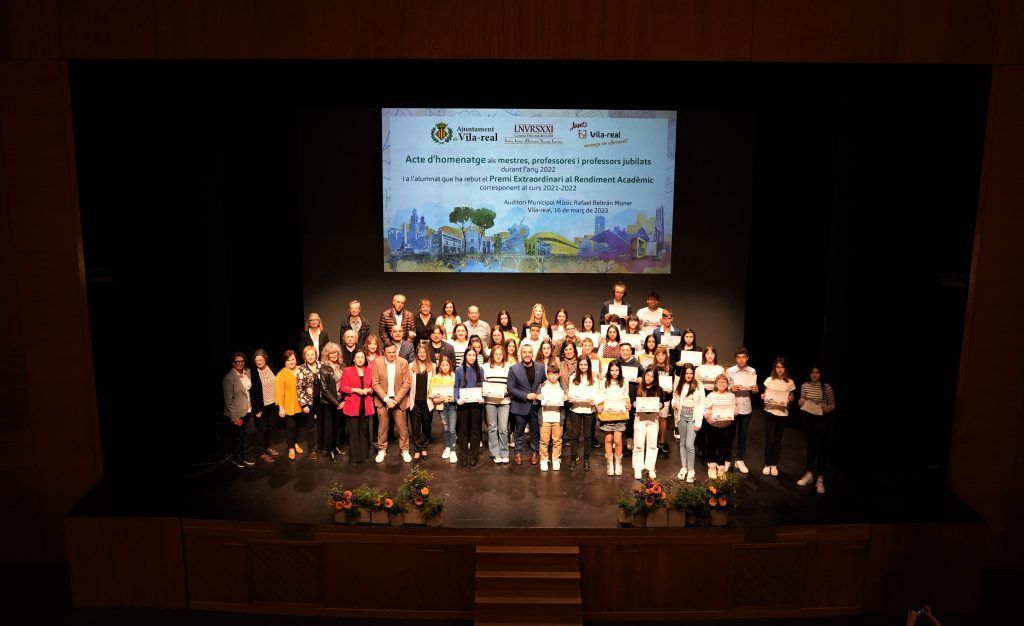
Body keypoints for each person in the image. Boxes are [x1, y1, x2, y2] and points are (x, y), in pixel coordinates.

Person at [796, 365, 836, 494]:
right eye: (812, 372)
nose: (814, 375)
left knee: (820, 449)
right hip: (808, 419)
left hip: (821, 420)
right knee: (810, 447)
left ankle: (820, 479)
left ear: (821, 374)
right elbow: (802, 401)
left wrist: (826, 409)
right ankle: (809, 474)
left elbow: (832, 404)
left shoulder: (826, 387)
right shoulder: (805, 385)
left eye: (817, 372)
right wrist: (800, 402)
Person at [371, 343, 412, 463]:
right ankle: (382, 449)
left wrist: (396, 400)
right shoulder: (377, 362)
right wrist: (386, 399)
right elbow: (375, 383)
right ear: (384, 352)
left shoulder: (403, 362)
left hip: (398, 400)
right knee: (382, 427)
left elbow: (406, 383)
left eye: (394, 352)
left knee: (402, 427)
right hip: (383, 400)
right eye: (389, 352)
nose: (392, 354)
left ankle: (405, 450)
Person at [508, 343, 544, 465]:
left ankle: (534, 453)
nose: (527, 354)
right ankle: (518, 453)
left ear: (532, 354)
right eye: (524, 352)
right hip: (520, 405)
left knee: (535, 432)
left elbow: (544, 384)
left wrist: (540, 394)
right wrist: (525, 395)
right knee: (519, 432)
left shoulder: (540, 367)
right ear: (521, 354)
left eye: (529, 352)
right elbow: (511, 388)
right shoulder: (514, 368)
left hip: (536, 406)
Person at [760, 357, 796, 477]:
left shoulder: (789, 382)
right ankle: (767, 464)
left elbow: (791, 396)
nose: (780, 369)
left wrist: (791, 398)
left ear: (785, 369)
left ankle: (774, 464)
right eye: (778, 367)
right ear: (775, 368)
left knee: (777, 440)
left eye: (782, 367)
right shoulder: (769, 380)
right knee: (769, 439)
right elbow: (765, 394)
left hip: (782, 413)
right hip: (770, 412)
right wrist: (763, 396)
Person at [726, 346, 758, 474]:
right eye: (739, 357)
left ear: (747, 358)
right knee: (730, 433)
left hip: (745, 405)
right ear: (736, 358)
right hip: (732, 405)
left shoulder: (752, 371)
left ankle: (739, 459)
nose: (741, 360)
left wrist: (755, 390)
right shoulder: (730, 371)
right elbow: (725, 387)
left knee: (743, 434)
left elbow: (754, 389)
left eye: (743, 357)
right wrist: (730, 388)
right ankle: (727, 459)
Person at [672, 363, 706, 482]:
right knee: (682, 442)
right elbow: (674, 398)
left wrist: (699, 422)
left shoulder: (699, 385)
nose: (689, 375)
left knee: (689, 444)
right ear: (683, 374)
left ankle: (691, 469)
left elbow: (702, 404)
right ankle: (684, 467)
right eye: (687, 373)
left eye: (691, 373)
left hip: (693, 416)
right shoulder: (679, 383)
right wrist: (674, 404)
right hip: (681, 415)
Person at [339, 351, 374, 465]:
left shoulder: (369, 370)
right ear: (354, 359)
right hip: (352, 405)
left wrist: (369, 390)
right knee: (353, 432)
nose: (360, 359)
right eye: (357, 357)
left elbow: (373, 386)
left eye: (362, 357)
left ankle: (364, 455)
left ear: (365, 359)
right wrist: (355, 390)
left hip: (365, 404)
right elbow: (342, 387)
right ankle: (354, 458)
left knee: (364, 431)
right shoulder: (347, 370)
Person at [597, 361, 630, 475]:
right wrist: (598, 405)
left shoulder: (624, 381)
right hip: (607, 414)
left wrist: (628, 404)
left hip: (620, 413)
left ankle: (618, 462)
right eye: (612, 370)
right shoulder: (603, 382)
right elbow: (600, 396)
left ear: (620, 370)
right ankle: (610, 463)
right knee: (608, 439)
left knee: (618, 440)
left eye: (616, 370)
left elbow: (626, 396)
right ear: (609, 371)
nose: (614, 372)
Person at [566, 355, 598, 471]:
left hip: (589, 410)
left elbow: (596, 394)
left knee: (588, 435)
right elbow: (571, 394)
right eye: (581, 364)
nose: (583, 366)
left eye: (585, 364)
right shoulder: (573, 377)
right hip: (576, 409)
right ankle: (573, 459)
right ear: (577, 365)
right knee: (574, 435)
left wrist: (594, 401)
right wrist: (571, 398)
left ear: (589, 365)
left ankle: (586, 459)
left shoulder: (594, 379)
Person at [222, 352, 254, 468]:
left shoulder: (247, 372)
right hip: (237, 412)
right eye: (237, 362)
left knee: (250, 432)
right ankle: (237, 458)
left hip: (248, 409)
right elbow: (228, 401)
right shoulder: (229, 378)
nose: (240, 363)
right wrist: (235, 417)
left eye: (242, 361)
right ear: (233, 363)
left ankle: (245, 454)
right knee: (238, 437)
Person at [454, 347, 485, 466]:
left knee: (475, 430)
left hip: (476, 404)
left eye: (474, 355)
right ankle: (463, 456)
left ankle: (474, 456)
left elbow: (483, 387)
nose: (472, 357)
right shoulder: (459, 370)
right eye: (469, 355)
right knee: (462, 431)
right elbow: (456, 387)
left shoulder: (480, 370)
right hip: (463, 404)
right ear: (465, 356)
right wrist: (457, 399)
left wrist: (482, 397)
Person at [704, 374, 737, 479]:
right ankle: (712, 467)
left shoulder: (731, 396)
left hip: (726, 426)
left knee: (723, 447)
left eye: (724, 382)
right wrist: (707, 414)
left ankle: (721, 468)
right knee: (712, 446)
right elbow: (706, 410)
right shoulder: (711, 395)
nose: (722, 384)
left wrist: (734, 411)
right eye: (719, 382)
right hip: (712, 426)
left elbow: (735, 411)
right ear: (716, 384)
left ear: (727, 384)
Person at [695, 345, 724, 463]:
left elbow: (723, 383)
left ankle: (712, 450)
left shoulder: (720, 368)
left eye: (712, 353)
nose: (710, 356)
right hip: (702, 394)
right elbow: (695, 384)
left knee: (712, 422)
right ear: (704, 355)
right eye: (707, 353)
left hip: (715, 395)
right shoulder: (699, 368)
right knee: (701, 422)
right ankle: (701, 449)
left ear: (715, 355)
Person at [483, 344, 512, 464]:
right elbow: (483, 384)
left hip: (504, 401)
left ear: (504, 355)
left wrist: (506, 392)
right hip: (490, 401)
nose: (498, 356)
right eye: (496, 354)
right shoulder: (485, 367)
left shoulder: (509, 367)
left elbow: (511, 384)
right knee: (492, 427)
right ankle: (495, 453)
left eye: (500, 354)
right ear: (492, 355)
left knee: (503, 428)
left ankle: (504, 452)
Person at [632, 366, 662, 479]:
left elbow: (662, 403)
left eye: (652, 376)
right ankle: (638, 467)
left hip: (653, 418)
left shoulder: (658, 389)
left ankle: (650, 467)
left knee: (652, 444)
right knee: (638, 443)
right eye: (647, 375)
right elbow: (633, 401)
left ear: (655, 378)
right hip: (640, 418)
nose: (649, 378)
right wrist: (634, 404)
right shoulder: (638, 388)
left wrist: (660, 405)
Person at [249, 349, 278, 463]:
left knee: (270, 428)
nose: (259, 362)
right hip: (261, 407)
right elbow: (252, 393)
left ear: (265, 359)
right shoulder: (253, 372)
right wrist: (256, 409)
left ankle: (267, 447)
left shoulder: (271, 367)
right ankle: (261, 452)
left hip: (272, 404)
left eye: (261, 359)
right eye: (256, 360)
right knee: (262, 430)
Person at [429, 355, 458, 464]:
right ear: (439, 366)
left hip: (452, 406)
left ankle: (453, 450)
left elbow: (458, 390)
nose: (445, 367)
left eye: (447, 365)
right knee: (445, 428)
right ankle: (448, 447)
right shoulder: (436, 378)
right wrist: (437, 399)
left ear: (450, 366)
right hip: (441, 406)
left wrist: (453, 397)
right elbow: (432, 394)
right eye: (443, 365)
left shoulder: (454, 376)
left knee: (452, 429)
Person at [407, 344, 434, 460]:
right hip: (415, 402)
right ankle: (417, 449)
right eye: (420, 352)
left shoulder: (432, 366)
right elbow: (408, 384)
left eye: (424, 352)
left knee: (427, 426)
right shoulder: (411, 366)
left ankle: (424, 447)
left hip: (427, 402)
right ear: (417, 354)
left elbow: (435, 384)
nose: (422, 354)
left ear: (427, 353)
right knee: (416, 427)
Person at [538, 364, 566, 471]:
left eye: (555, 374)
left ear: (559, 375)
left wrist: (566, 398)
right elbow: (536, 400)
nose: (553, 376)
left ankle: (555, 459)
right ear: (547, 375)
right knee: (544, 440)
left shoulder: (561, 387)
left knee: (557, 440)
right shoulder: (542, 386)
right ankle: (544, 459)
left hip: (557, 418)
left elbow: (566, 401)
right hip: (545, 417)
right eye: (550, 374)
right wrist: (537, 397)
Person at [319, 342, 344, 461]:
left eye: (335, 353)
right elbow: (324, 390)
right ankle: (329, 450)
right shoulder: (324, 368)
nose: (333, 355)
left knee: (338, 426)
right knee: (329, 427)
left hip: (341, 401)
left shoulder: (342, 366)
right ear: (327, 355)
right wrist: (336, 404)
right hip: (329, 403)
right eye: (331, 353)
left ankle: (336, 446)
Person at [275, 350, 302, 460]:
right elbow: (279, 393)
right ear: (285, 362)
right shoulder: (281, 374)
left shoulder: (301, 369)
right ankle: (291, 448)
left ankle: (295, 443)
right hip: (289, 405)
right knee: (290, 426)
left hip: (301, 404)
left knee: (298, 426)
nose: (291, 362)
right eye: (288, 360)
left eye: (293, 359)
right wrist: (281, 408)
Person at [296, 345, 322, 460]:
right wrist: (304, 404)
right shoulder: (301, 369)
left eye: (312, 354)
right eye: (308, 355)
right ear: (304, 356)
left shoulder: (321, 365)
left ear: (316, 355)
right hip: (309, 402)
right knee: (310, 426)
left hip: (322, 400)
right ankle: (312, 449)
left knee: (321, 424)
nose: (311, 357)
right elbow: (299, 388)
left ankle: (321, 445)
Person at [653, 345, 674, 455]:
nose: (660, 357)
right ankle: (652, 441)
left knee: (663, 419)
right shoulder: (652, 367)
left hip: (665, 397)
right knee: (653, 419)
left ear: (666, 356)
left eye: (663, 354)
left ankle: (662, 441)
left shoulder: (670, 368)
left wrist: (671, 388)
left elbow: (673, 382)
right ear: (655, 356)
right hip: (654, 396)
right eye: (658, 354)